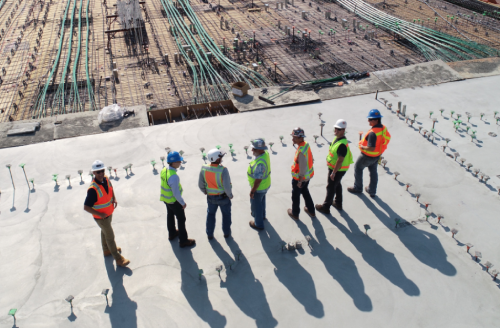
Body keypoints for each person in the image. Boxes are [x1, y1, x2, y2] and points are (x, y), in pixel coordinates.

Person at [84, 160, 130, 267]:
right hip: (101, 217)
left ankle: (106, 250)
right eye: (98, 172)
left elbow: (110, 188)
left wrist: (114, 198)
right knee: (110, 235)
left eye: (102, 171)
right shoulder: (93, 189)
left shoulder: (106, 179)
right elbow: (86, 207)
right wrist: (100, 215)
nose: (101, 174)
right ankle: (118, 259)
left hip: (108, 213)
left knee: (105, 231)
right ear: (94, 173)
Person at [347, 109, 391, 197]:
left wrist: (362, 147)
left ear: (376, 120)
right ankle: (372, 191)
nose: (368, 121)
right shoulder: (383, 128)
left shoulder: (372, 133)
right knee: (373, 172)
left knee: (358, 168)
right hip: (377, 155)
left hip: (367, 156)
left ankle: (358, 188)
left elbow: (371, 148)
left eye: (370, 119)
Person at [315, 120, 354, 214]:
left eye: (338, 129)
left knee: (330, 187)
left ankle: (325, 207)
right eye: (335, 128)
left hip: (338, 169)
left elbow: (340, 160)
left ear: (343, 130)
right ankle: (338, 203)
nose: (336, 130)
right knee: (337, 184)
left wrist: (334, 172)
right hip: (337, 168)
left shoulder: (341, 145)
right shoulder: (338, 139)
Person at [160, 151, 195, 247]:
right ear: (174, 163)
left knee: (170, 215)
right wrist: (182, 203)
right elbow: (176, 193)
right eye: (179, 161)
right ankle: (183, 240)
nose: (180, 163)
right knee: (181, 219)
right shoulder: (174, 176)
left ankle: (172, 233)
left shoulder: (164, 170)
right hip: (174, 201)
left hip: (165, 199)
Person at [198, 149, 233, 240]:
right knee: (226, 215)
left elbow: (200, 184)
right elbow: (226, 186)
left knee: (210, 215)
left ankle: (210, 234)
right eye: (220, 157)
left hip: (210, 197)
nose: (221, 158)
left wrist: (204, 191)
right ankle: (226, 233)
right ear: (217, 159)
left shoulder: (204, 168)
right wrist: (230, 195)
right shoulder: (223, 170)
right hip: (223, 197)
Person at [287, 127, 315, 220]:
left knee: (295, 196)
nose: (292, 139)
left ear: (300, 138)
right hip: (307, 177)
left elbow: (302, 167)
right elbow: (311, 157)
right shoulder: (306, 145)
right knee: (305, 191)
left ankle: (295, 213)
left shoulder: (301, 151)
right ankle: (311, 210)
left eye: (294, 137)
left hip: (300, 179)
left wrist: (300, 181)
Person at [247, 138, 271, 231]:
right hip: (265, 185)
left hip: (259, 188)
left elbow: (258, 180)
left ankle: (258, 224)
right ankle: (262, 216)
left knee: (256, 205)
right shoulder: (265, 154)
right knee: (262, 201)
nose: (252, 150)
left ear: (261, 149)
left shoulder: (260, 163)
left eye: (254, 149)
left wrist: (252, 191)